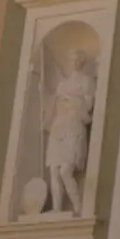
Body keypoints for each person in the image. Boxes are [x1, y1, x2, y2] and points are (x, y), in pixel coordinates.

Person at [45, 47, 96, 214]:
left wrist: (71, 100)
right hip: (59, 126)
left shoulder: (87, 81)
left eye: (76, 59)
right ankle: (57, 209)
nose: (73, 63)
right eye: (71, 59)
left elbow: (88, 107)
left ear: (81, 62)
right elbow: (53, 107)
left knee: (66, 170)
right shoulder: (62, 84)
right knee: (54, 170)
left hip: (74, 125)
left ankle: (78, 206)